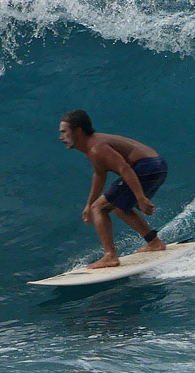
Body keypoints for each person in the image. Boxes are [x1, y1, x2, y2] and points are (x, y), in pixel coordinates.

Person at [59, 109, 168, 269]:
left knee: (100, 208)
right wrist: (89, 204)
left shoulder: (97, 148)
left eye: (64, 132)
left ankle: (110, 256)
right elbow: (100, 174)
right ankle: (154, 242)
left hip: (147, 167)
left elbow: (124, 169)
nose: (61, 137)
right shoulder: (91, 149)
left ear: (79, 132)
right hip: (157, 165)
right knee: (118, 206)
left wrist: (140, 198)